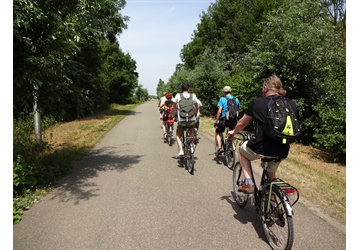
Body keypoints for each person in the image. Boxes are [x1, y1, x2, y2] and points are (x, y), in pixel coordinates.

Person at [228, 75, 298, 194]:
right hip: (283, 149)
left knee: (241, 151)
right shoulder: (291, 103)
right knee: (271, 176)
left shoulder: (257, 102)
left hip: (262, 147)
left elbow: (242, 123)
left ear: (265, 88)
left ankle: (249, 183)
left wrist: (233, 132)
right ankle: (274, 203)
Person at [171, 83, 199, 157]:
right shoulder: (193, 95)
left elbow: (174, 106)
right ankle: (191, 144)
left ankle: (181, 150)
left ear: (181, 89)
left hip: (182, 120)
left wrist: (173, 112)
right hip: (191, 119)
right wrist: (195, 113)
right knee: (192, 130)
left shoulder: (178, 95)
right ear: (188, 89)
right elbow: (196, 105)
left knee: (178, 134)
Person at [214, 86, 240, 156]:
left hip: (224, 120)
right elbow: (238, 111)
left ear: (224, 92)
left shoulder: (222, 99)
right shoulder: (236, 99)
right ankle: (230, 143)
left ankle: (219, 147)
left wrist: (216, 121)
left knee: (218, 132)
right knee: (230, 133)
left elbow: (219, 111)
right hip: (233, 120)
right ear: (230, 91)